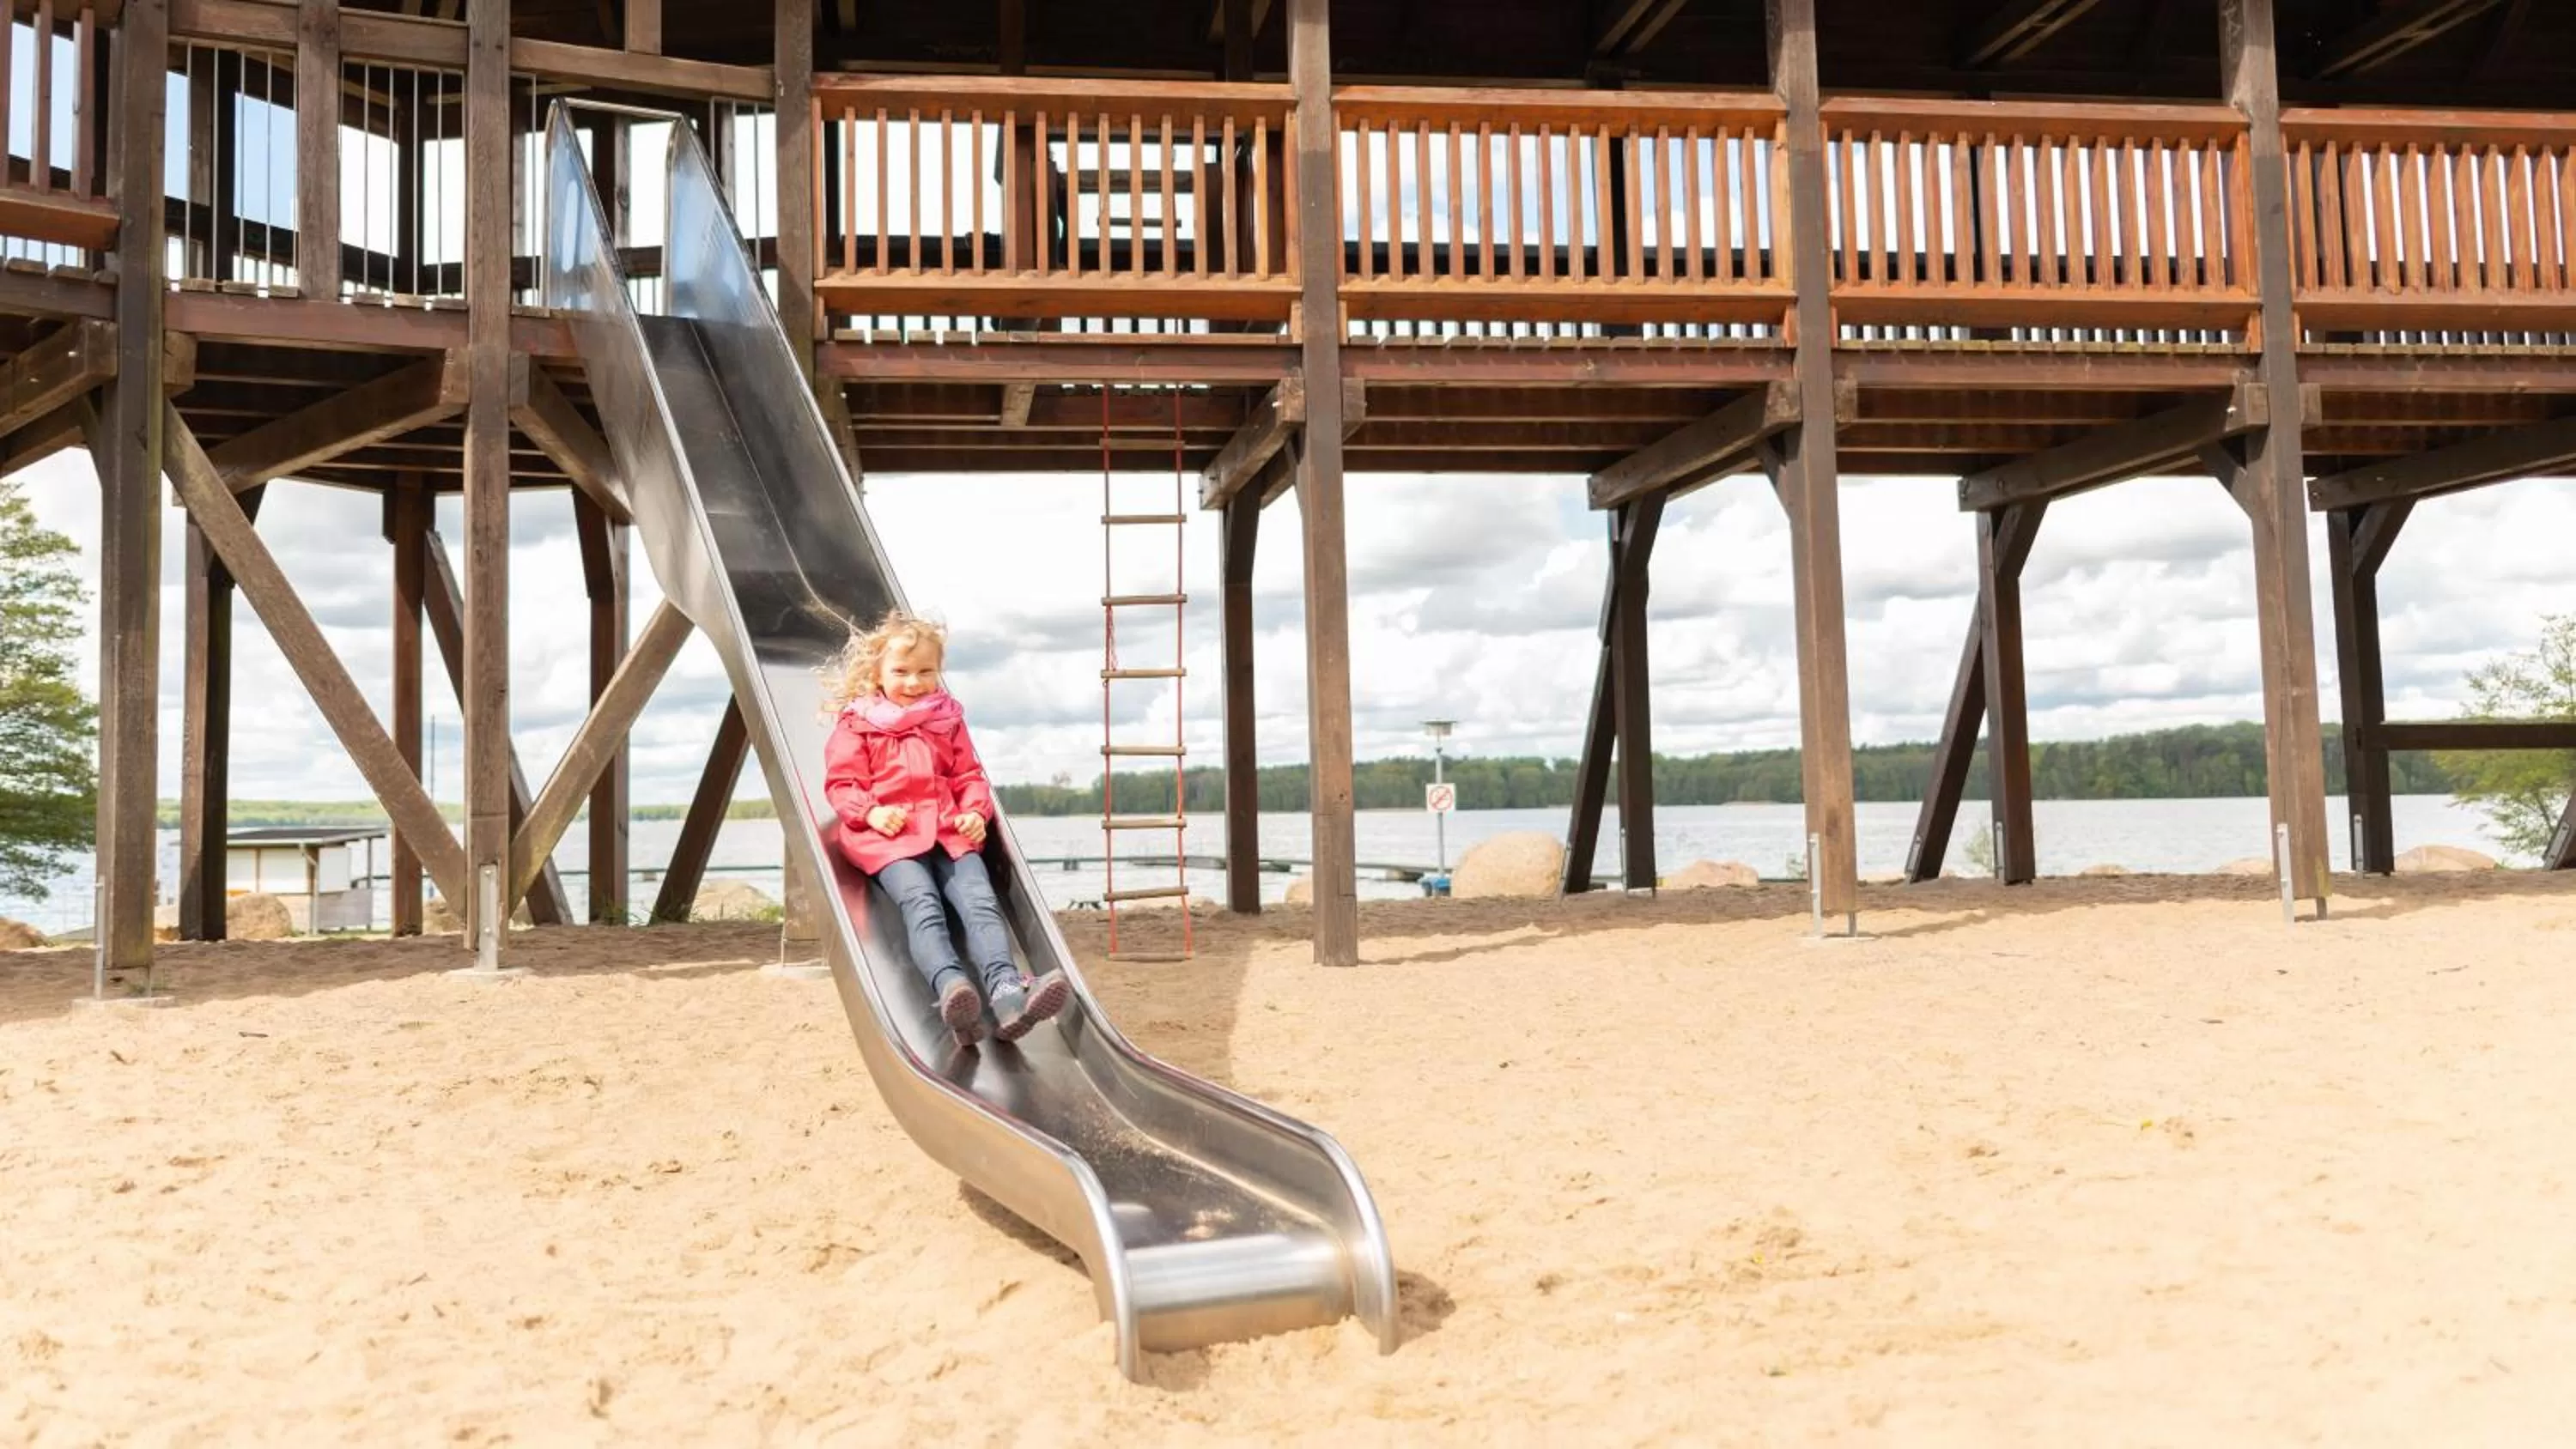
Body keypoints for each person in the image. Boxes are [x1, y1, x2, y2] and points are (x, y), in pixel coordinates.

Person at [822, 610, 1069, 1047]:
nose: (914, 682)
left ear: (939, 672)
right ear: (877, 673)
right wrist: (871, 812)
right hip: (889, 839)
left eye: (925, 671)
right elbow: (843, 784)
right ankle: (953, 988)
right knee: (922, 903)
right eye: (901, 672)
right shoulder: (858, 724)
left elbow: (968, 775)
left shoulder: (947, 719)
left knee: (980, 902)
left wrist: (975, 811)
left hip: (948, 831)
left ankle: (1007, 993)